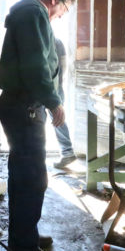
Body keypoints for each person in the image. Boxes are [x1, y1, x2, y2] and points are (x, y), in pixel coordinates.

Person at [0, 0, 75, 251]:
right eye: (64, 8)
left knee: (24, 175)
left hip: (21, 105)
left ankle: (23, 235)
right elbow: (35, 64)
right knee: (31, 178)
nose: (62, 15)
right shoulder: (34, 12)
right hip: (24, 107)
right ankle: (24, 249)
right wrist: (54, 102)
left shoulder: (29, 12)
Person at [52, 37, 76, 168]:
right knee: (58, 119)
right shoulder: (58, 41)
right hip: (57, 85)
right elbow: (64, 64)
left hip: (48, 86)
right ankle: (67, 152)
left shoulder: (43, 40)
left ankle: (67, 153)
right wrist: (60, 80)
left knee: (39, 120)